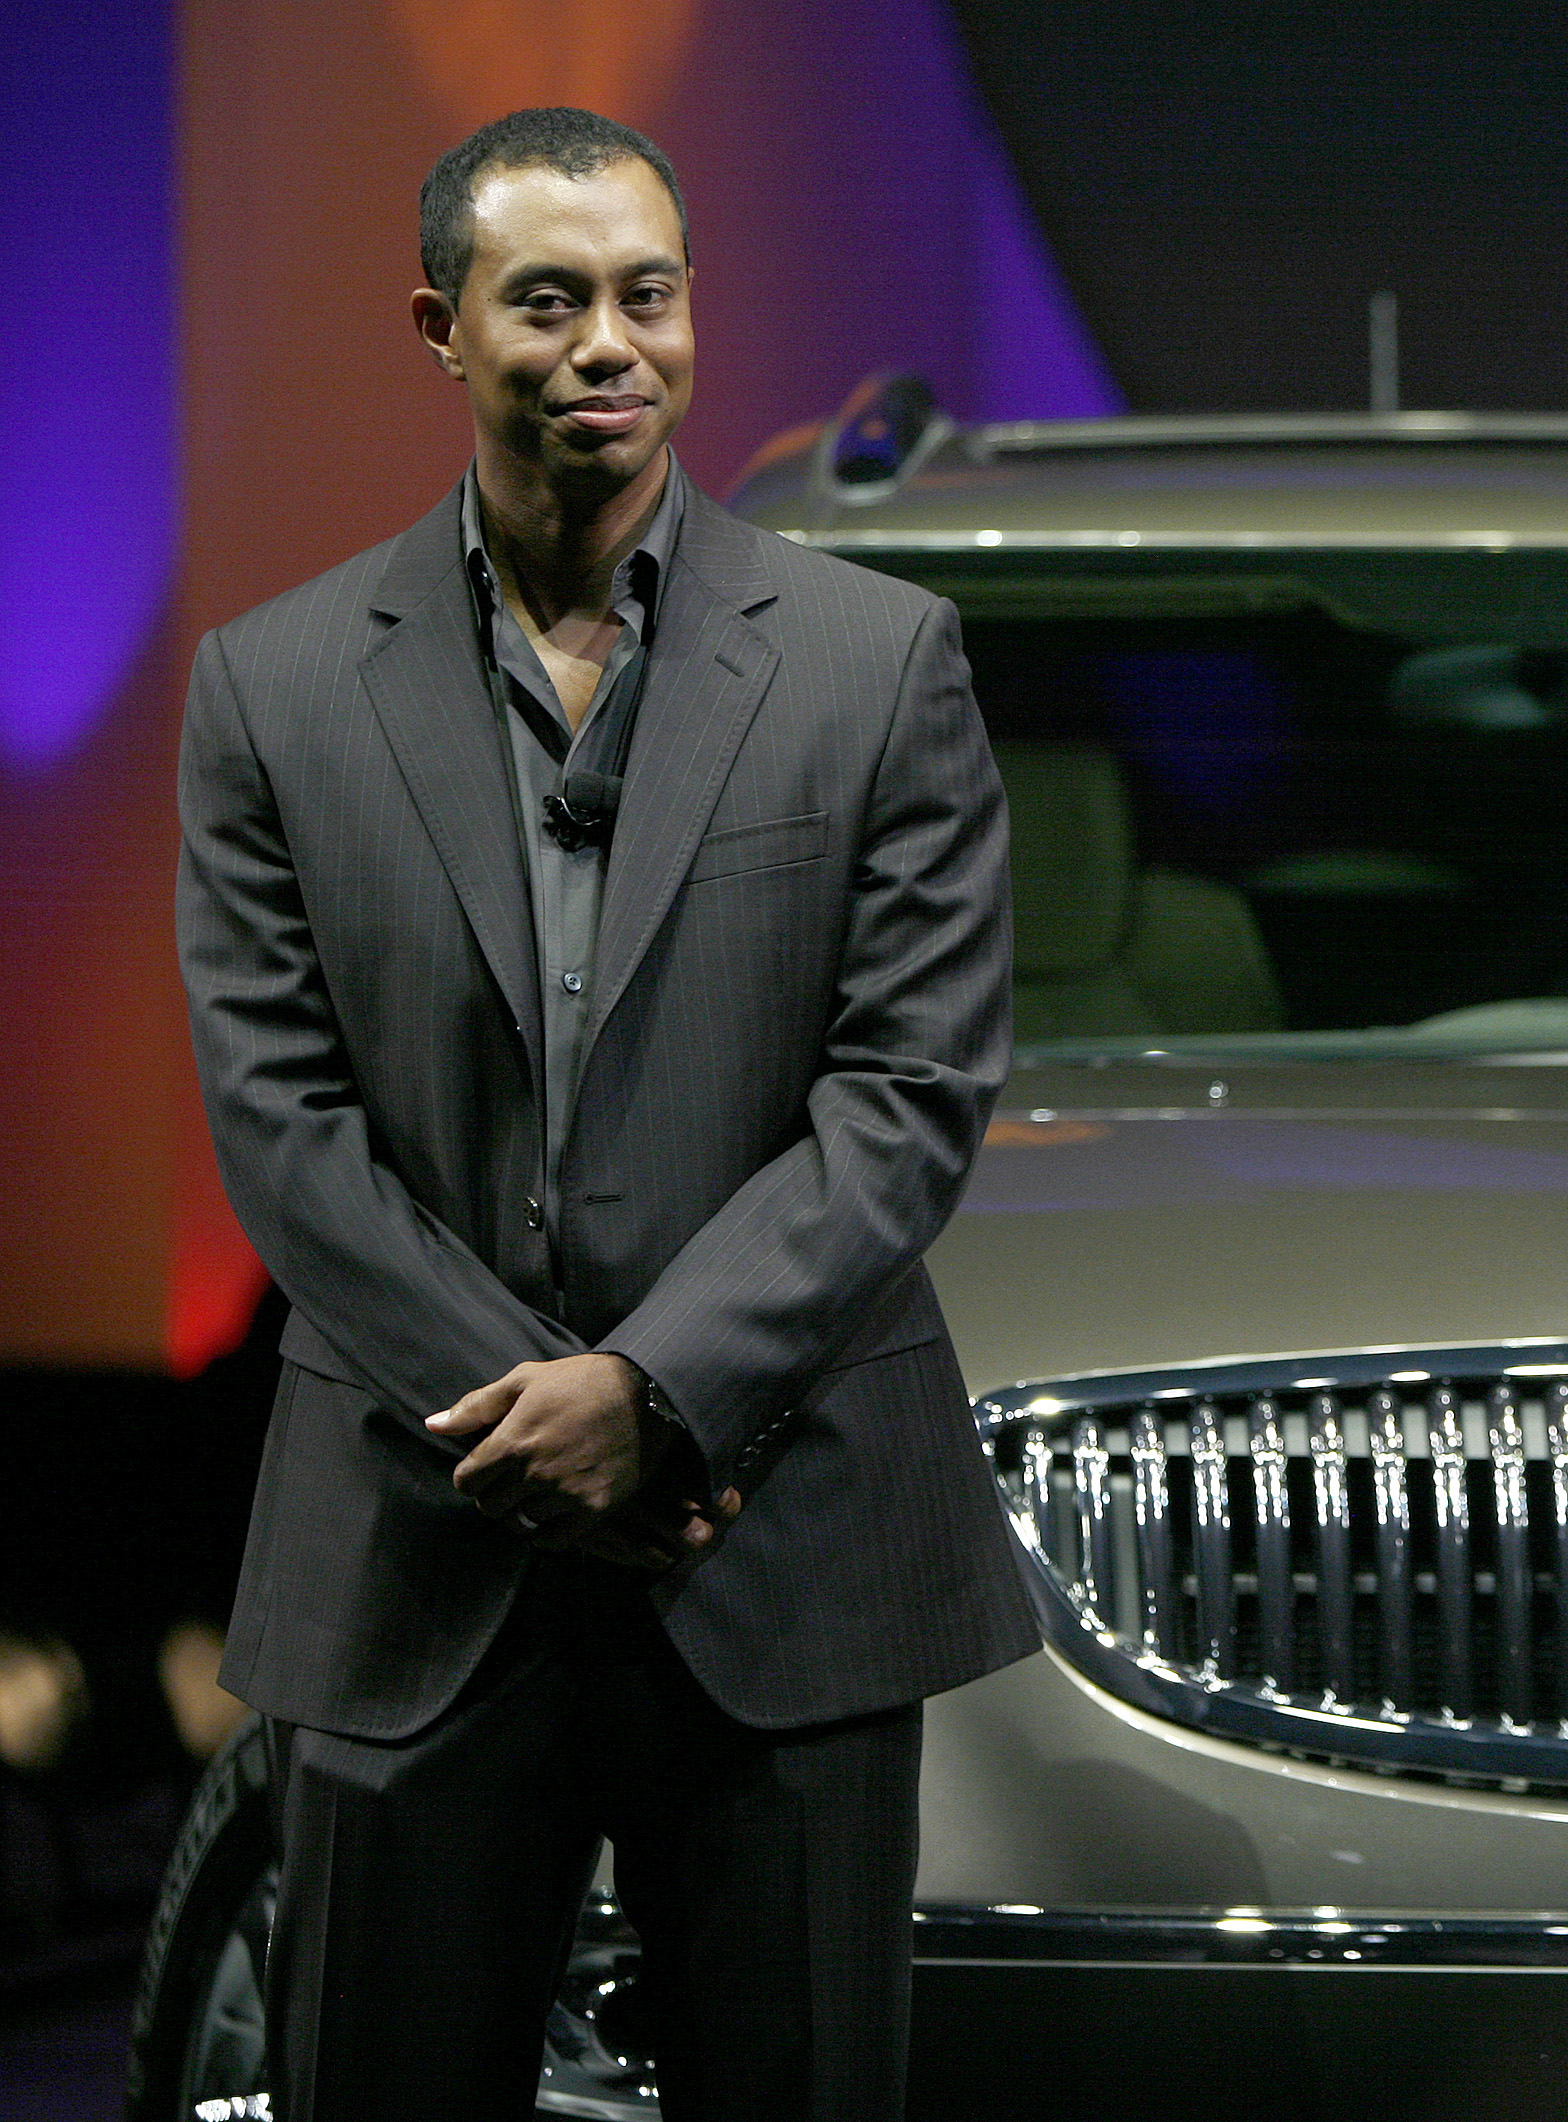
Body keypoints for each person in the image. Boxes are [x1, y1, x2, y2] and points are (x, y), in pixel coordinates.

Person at [174, 106, 1031, 2118]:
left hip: (783, 1526)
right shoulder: (274, 686)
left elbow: (908, 1092)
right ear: (439, 328)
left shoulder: (873, 661)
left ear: (691, 316)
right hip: (414, 1529)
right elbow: (281, 1118)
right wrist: (541, 1413)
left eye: (646, 295)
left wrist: (654, 1389)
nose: (605, 345)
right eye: (545, 300)